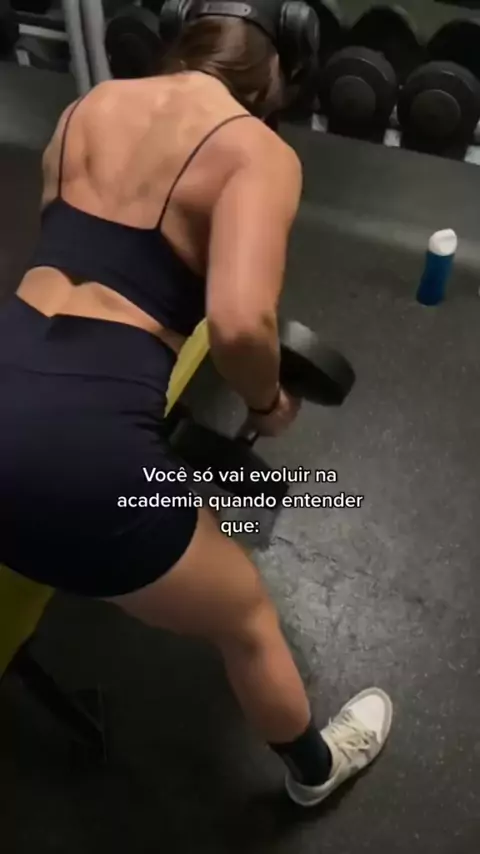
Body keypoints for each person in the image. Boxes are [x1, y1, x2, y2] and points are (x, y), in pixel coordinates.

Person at [0, 0, 392, 807]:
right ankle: (315, 771)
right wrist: (267, 398)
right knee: (246, 619)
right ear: (281, 66)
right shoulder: (256, 150)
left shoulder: (88, 107)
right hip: (82, 457)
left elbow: (81, 260)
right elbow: (240, 321)